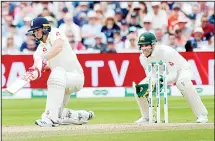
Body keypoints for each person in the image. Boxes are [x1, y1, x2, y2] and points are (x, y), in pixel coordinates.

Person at [27, 17, 94, 127]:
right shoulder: (39, 50)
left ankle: (50, 119)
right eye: (34, 31)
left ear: (45, 28)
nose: (35, 33)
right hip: (60, 85)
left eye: (37, 30)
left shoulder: (55, 32)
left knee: (57, 73)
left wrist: (44, 59)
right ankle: (80, 115)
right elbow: (38, 66)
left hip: (75, 77)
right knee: (54, 112)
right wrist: (34, 72)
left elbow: (58, 47)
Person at [133, 32, 208, 123]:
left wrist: (159, 81)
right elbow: (150, 75)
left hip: (181, 70)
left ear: (153, 45)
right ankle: (148, 117)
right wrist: (151, 84)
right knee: (140, 89)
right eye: (142, 46)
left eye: (146, 45)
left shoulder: (165, 52)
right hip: (162, 74)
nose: (144, 48)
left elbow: (173, 75)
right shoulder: (142, 58)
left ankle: (202, 115)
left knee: (182, 83)